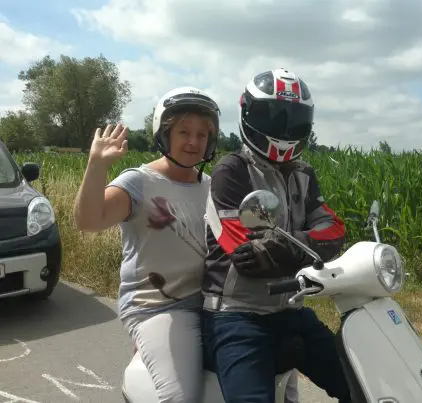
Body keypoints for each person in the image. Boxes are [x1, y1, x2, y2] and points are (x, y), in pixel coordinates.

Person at [202, 68, 352, 403]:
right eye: (273, 117)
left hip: (291, 310)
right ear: (248, 113)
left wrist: (280, 248)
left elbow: (335, 230)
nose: (284, 130)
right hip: (236, 315)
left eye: (293, 120)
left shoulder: (304, 173)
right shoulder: (232, 171)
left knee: (360, 383)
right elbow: (246, 255)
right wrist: (310, 246)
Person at [73, 87, 220, 403]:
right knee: (179, 398)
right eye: (184, 132)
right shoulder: (139, 182)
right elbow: (89, 220)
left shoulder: (212, 186)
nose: (194, 142)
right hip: (157, 306)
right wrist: (97, 165)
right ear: (165, 135)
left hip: (211, 303)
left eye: (202, 134)